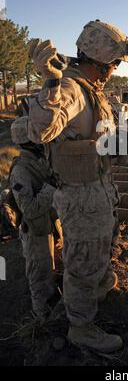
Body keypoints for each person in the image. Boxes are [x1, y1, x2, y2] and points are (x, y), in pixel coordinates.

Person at [27, 20, 128, 352]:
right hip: (81, 196)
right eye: (115, 62)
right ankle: (81, 327)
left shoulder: (91, 90)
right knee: (82, 262)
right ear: (101, 60)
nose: (116, 68)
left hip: (97, 189)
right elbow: (40, 132)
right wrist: (50, 81)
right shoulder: (71, 90)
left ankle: (98, 286)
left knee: (98, 252)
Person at [10, 116, 59, 319]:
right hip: (35, 233)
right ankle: (42, 321)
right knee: (39, 277)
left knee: (50, 272)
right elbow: (28, 209)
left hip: (46, 227)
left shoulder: (38, 161)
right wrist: (50, 187)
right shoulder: (21, 171)